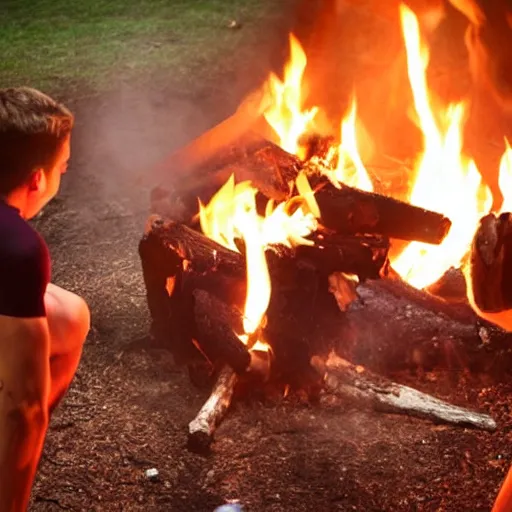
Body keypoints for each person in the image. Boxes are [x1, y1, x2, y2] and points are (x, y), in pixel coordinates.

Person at [0, 87, 89, 510]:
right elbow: (26, 408)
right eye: (63, 168)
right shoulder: (18, 248)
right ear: (37, 178)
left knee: (68, 315)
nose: (63, 175)